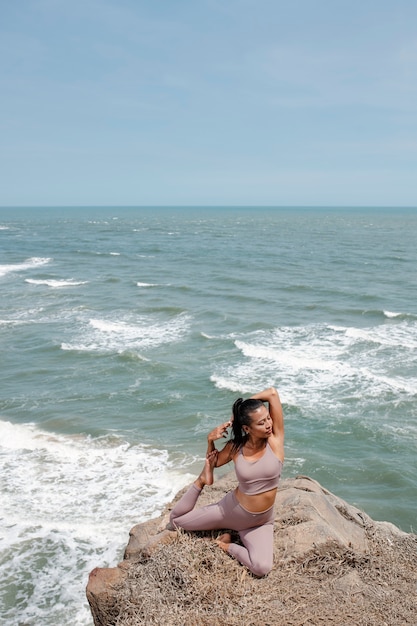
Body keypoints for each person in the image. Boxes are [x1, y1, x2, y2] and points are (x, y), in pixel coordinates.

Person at [169, 387, 284, 577]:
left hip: (260, 523)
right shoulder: (235, 447)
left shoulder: (274, 440)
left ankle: (225, 543)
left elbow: (272, 393)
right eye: (261, 422)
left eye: (268, 419)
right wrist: (210, 441)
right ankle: (200, 481)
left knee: (261, 568)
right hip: (230, 511)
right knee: (175, 522)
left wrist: (235, 415)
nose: (268, 424)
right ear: (247, 428)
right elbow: (214, 462)